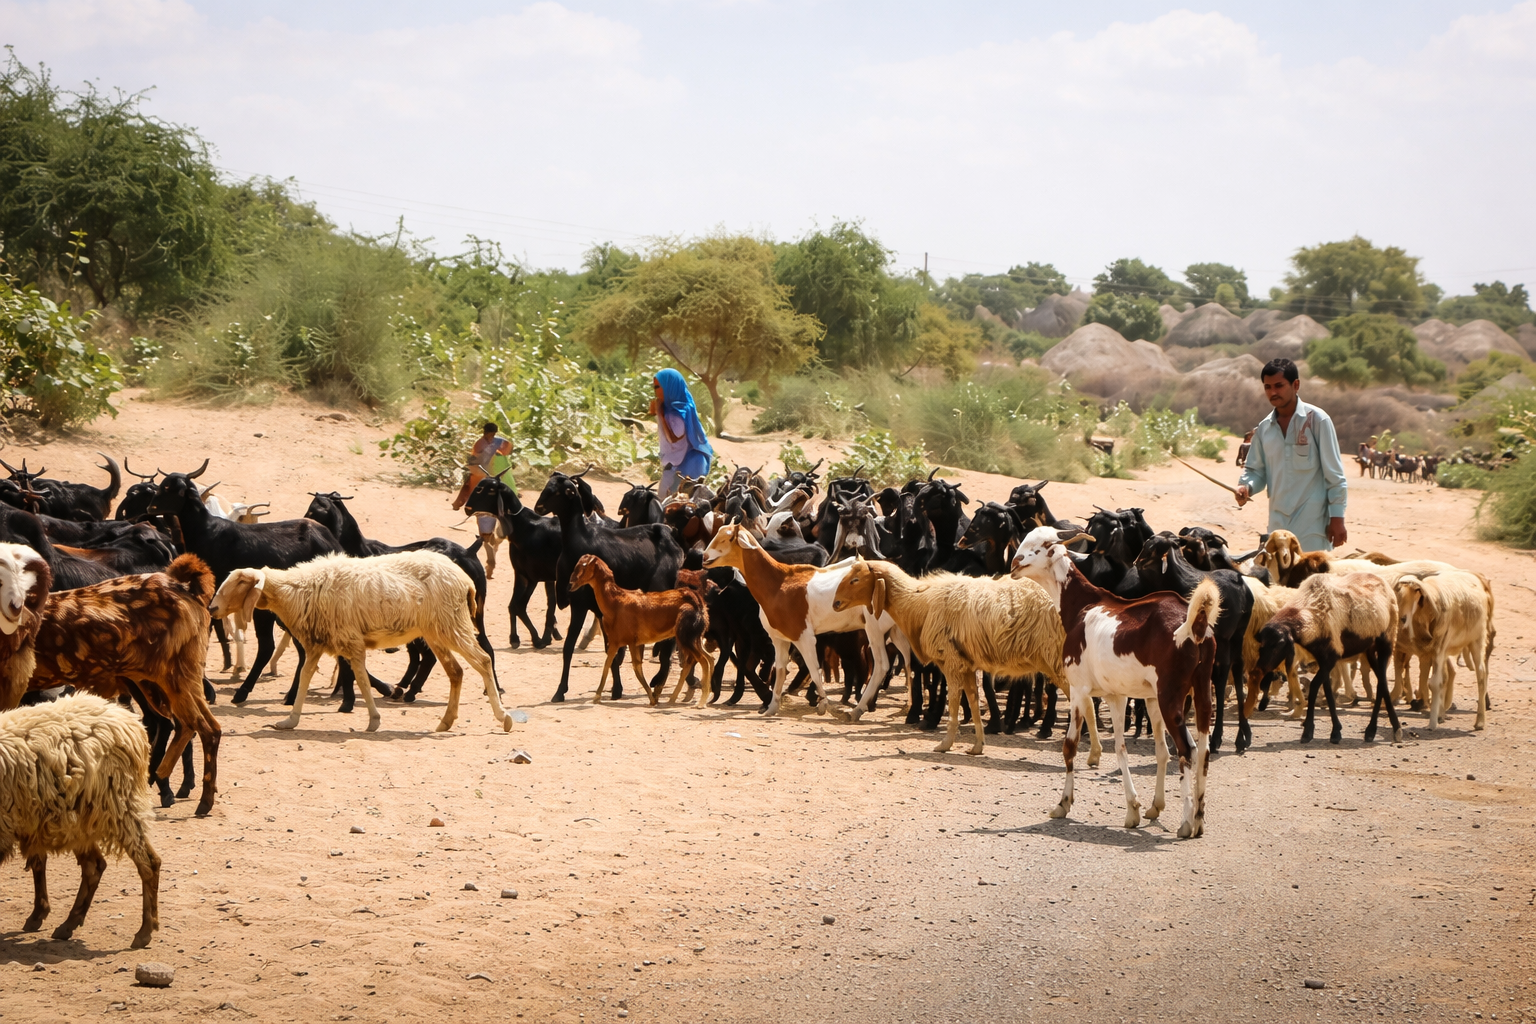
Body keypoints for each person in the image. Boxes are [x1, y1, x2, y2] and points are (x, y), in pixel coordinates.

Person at [1235, 358, 1348, 551]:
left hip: (1313, 526)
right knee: (1278, 580)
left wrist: (1337, 518)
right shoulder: (1264, 429)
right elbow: (1256, 471)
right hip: (1278, 527)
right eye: (1267, 387)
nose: (1273, 392)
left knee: (1312, 580)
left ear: (1296, 385)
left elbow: (1335, 476)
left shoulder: (1318, 421)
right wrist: (1246, 487)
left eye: (1279, 385)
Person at [451, 421, 514, 553]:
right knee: (469, 485)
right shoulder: (479, 443)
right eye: (487, 434)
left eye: (491, 435)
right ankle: (459, 503)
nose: (489, 436)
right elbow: (474, 460)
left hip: (495, 474)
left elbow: (507, 451)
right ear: (484, 433)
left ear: (494, 434)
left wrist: (498, 457)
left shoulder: (500, 442)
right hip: (481, 474)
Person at [651, 368, 713, 500]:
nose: (655, 391)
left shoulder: (679, 412)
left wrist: (660, 415)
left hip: (690, 464)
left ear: (669, 387)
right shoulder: (669, 409)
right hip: (677, 462)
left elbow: (673, 438)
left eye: (658, 387)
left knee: (673, 501)